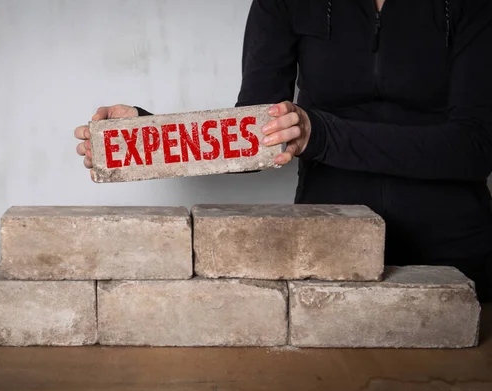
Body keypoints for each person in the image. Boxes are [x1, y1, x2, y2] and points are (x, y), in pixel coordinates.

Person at [74, 0, 492, 301]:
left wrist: (321, 134)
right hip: (330, 245)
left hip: (456, 250)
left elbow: (476, 146)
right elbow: (256, 133)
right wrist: (144, 137)